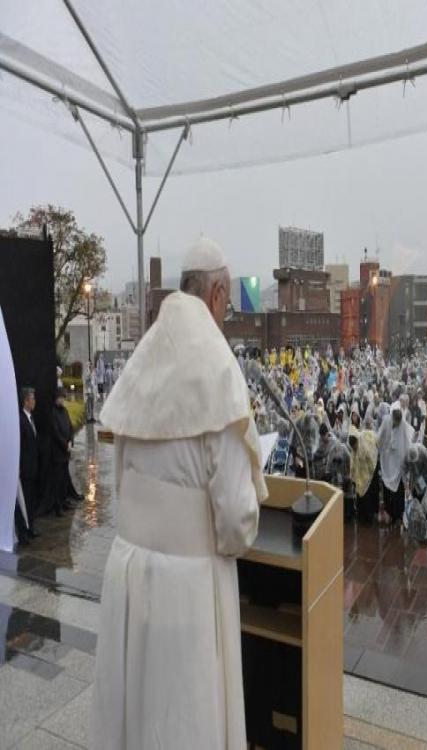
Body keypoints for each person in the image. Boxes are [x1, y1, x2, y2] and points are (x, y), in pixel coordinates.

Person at [92, 237, 266, 750]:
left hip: (128, 575)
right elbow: (236, 522)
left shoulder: (143, 357)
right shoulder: (218, 369)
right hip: (188, 590)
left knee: (136, 719)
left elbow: (123, 477)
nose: (227, 312)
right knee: (182, 722)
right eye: (228, 301)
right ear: (214, 294)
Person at [377, 403, 413, 525]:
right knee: (387, 489)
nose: (396, 425)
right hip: (387, 460)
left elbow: (407, 442)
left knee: (398, 491)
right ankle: (389, 513)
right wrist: (382, 449)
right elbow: (379, 437)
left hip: (398, 462)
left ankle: (398, 515)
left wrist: (406, 460)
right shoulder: (386, 421)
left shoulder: (402, 425)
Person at [17, 387, 40, 544]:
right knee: (24, 500)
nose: (34, 401)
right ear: (26, 401)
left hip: (33, 468)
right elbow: (19, 446)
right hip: (25, 469)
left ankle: (31, 527)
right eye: (32, 398)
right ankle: (23, 533)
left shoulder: (31, 418)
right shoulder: (21, 420)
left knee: (31, 500)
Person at [50, 387, 74, 517]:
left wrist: (71, 440)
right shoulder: (53, 413)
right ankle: (58, 506)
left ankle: (65, 501)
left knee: (65, 478)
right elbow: (55, 432)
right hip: (58, 452)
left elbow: (70, 426)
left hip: (66, 451)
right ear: (56, 398)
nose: (62, 400)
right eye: (61, 398)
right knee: (58, 480)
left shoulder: (64, 411)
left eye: (63, 398)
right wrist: (65, 444)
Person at [348, 425, 379, 525]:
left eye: (355, 445)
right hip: (361, 474)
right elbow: (353, 462)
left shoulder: (365, 447)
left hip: (369, 473)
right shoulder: (354, 449)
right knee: (359, 494)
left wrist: (368, 477)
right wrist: (352, 476)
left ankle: (369, 519)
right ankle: (361, 517)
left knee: (367, 496)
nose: (354, 448)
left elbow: (371, 462)